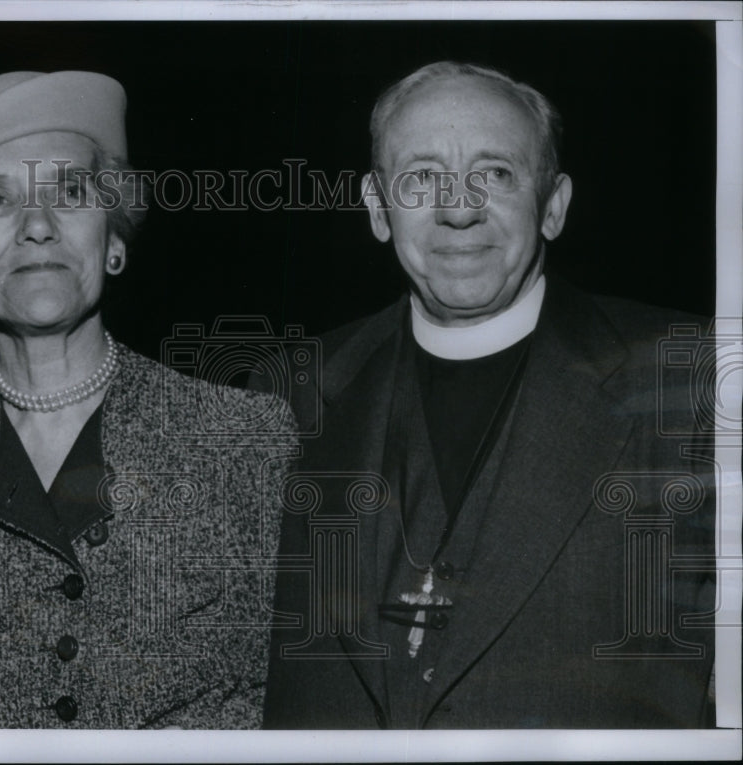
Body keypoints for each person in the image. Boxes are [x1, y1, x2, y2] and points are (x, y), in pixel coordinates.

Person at [0, 71, 295, 728]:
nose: (37, 225)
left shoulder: (246, 439)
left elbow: (276, 712)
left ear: (113, 241)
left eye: (69, 190)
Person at [262, 61, 715, 729]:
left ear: (554, 205)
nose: (458, 208)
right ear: (377, 208)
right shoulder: (284, 397)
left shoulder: (693, 382)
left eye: (496, 173)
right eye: (420, 177)